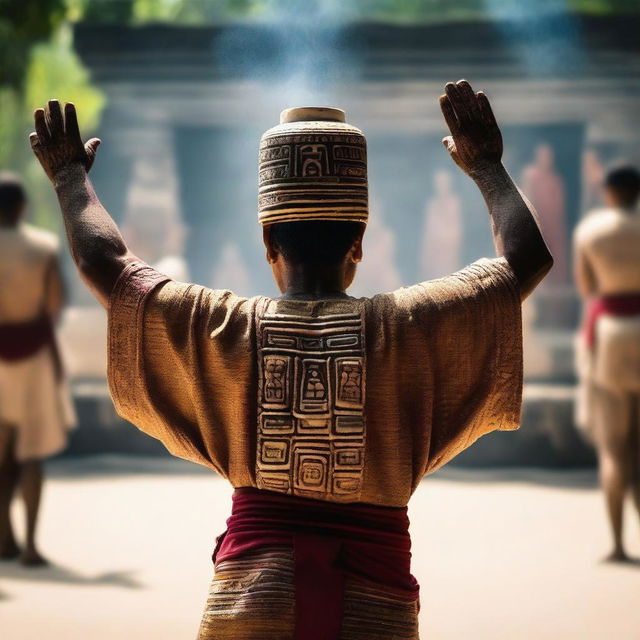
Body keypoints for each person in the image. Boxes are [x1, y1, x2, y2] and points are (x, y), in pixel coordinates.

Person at [29, 80, 552, 639]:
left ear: (268, 244)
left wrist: (69, 177)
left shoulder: (224, 328)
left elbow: (106, 263)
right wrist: (487, 167)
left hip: (249, 603)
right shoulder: (411, 328)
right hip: (375, 605)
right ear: (359, 245)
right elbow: (526, 258)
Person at [0, 173, 75, 566]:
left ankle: (4, 538)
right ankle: (30, 545)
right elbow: (54, 304)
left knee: (1, 456)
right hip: (33, 359)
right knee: (31, 456)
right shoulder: (42, 248)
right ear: (21, 208)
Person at [574, 165, 640, 562]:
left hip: (611, 334)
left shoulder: (591, 232)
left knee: (614, 448)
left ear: (610, 193)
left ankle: (617, 544)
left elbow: (587, 288)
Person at [522, 143, 568, 284]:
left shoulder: (555, 179)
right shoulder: (531, 175)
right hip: (538, 223)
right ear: (537, 156)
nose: (547, 159)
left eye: (549, 156)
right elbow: (528, 198)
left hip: (554, 225)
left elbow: (560, 205)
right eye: (544, 156)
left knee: (557, 257)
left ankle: (557, 287)